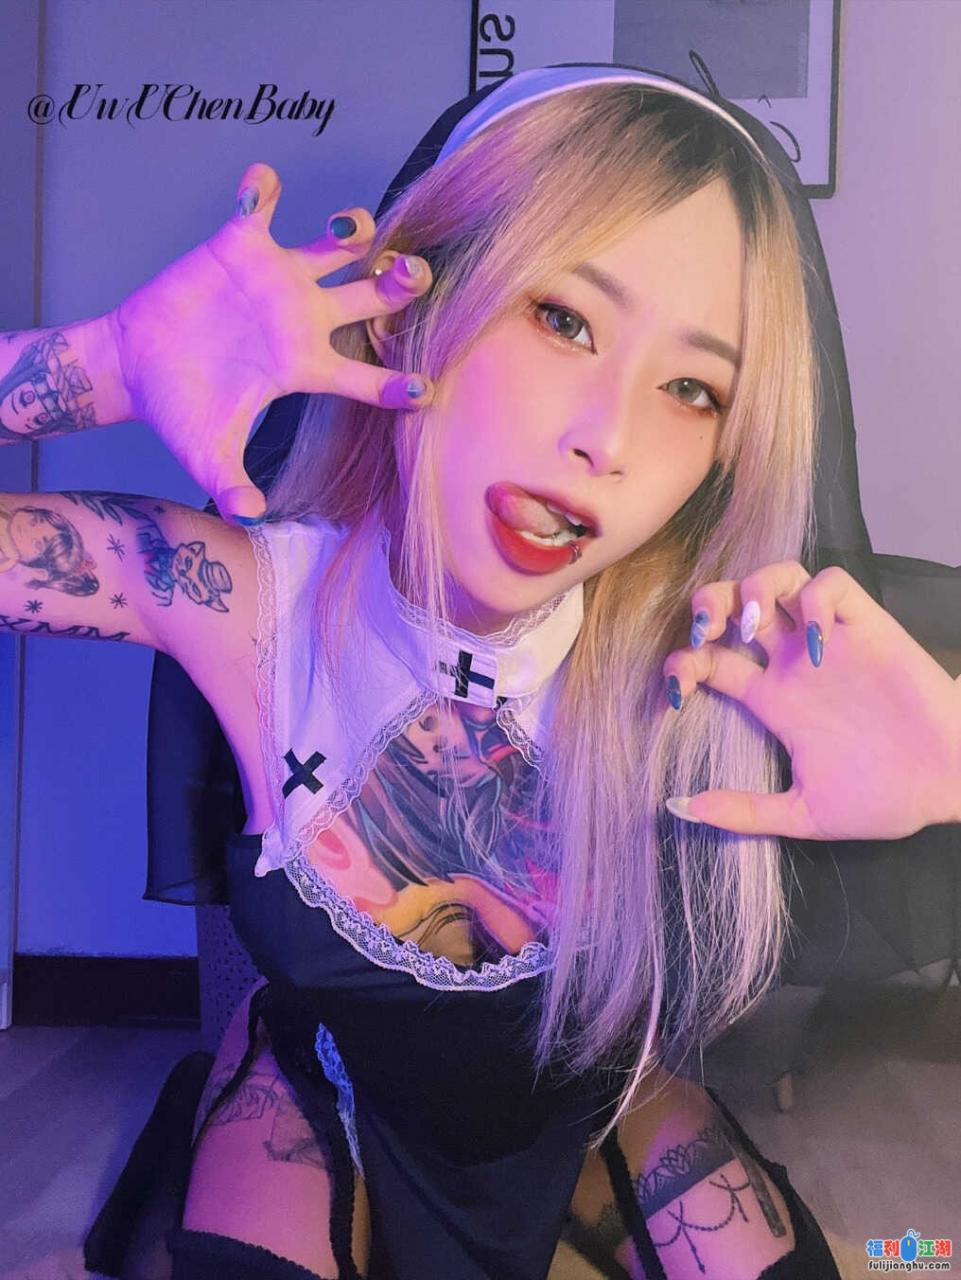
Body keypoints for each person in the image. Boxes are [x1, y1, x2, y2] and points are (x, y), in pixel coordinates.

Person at [2, 62, 957, 1280]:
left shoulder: (713, 659)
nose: (606, 438)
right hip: (327, 1077)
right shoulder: (242, 598)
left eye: (690, 388)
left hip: (599, 1096)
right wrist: (96, 362)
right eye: (563, 318)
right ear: (410, 304)